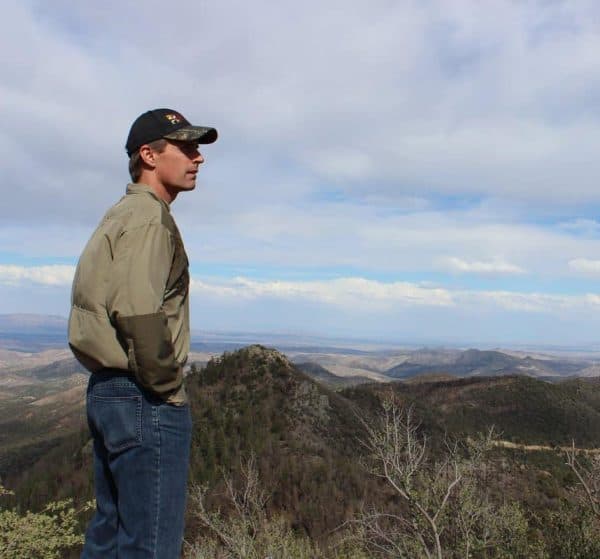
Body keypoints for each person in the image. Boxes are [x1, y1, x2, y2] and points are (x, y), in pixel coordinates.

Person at [68, 108, 218, 558]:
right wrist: (168, 389)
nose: (198, 158)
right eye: (186, 147)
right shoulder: (150, 219)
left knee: (109, 538)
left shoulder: (119, 216)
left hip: (109, 394)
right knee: (150, 547)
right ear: (149, 155)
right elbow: (137, 311)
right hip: (143, 398)